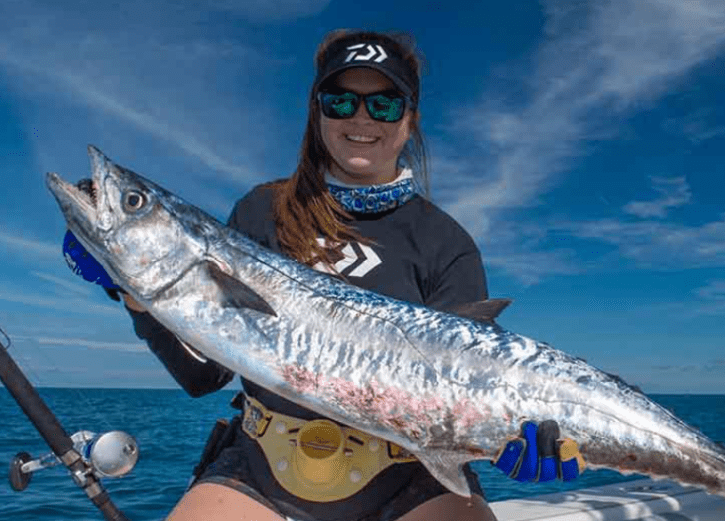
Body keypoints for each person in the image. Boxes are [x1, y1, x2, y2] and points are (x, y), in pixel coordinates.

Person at [64, 29, 584, 521]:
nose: (362, 117)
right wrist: (131, 293)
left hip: (409, 475)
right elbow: (205, 376)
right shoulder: (262, 209)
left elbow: (465, 390)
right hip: (263, 466)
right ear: (317, 112)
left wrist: (510, 438)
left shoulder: (446, 243)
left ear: (410, 119)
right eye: (341, 100)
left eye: (384, 102)